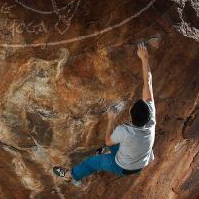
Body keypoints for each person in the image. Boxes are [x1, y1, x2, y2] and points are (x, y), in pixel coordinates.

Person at [53, 43, 156, 186]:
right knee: (119, 144)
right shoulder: (151, 122)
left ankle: (70, 175)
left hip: (124, 167)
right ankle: (108, 152)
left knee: (92, 162)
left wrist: (111, 120)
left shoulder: (125, 131)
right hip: (141, 162)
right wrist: (145, 60)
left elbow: (108, 140)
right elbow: (148, 83)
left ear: (131, 117)